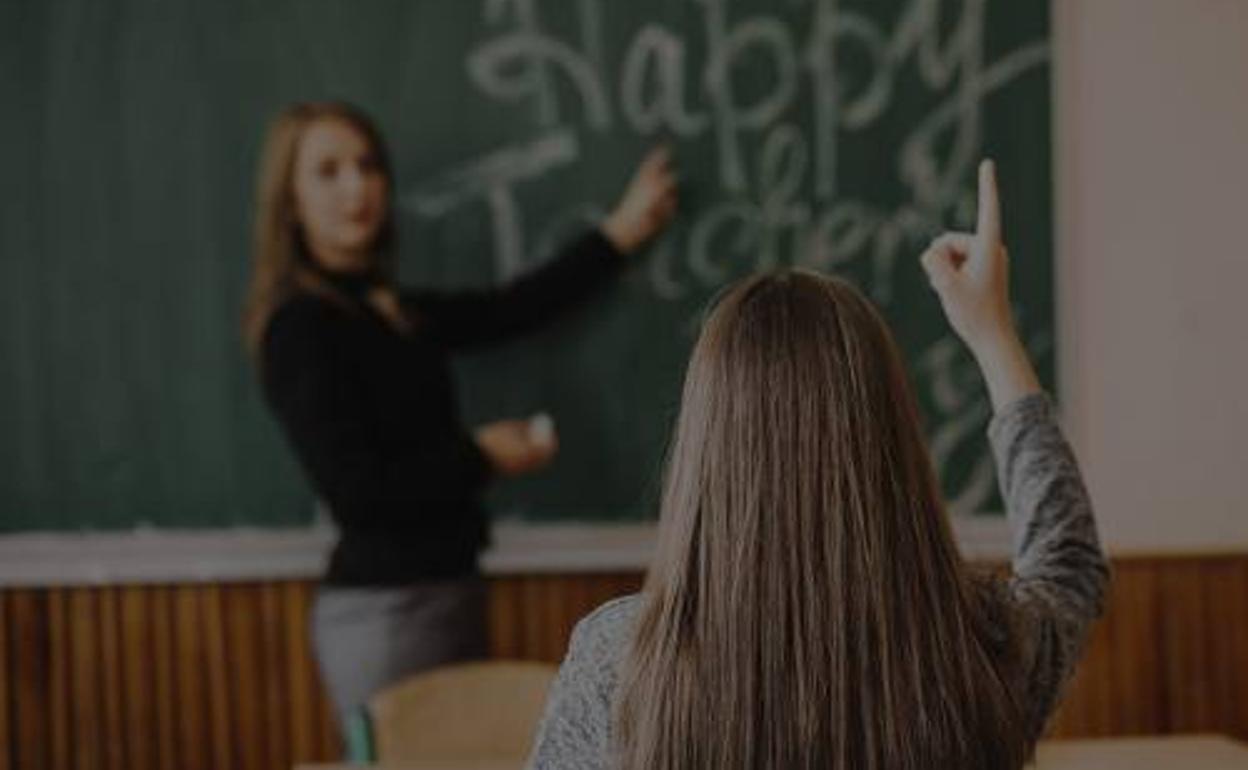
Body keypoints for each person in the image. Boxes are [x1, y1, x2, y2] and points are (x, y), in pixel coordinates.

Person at [526, 161, 1110, 770]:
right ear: (893, 437)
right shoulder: (982, 646)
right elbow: (1069, 565)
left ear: (705, 449)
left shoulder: (620, 665)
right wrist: (993, 337)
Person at [240, 101, 677, 728]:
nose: (356, 187)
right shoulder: (300, 327)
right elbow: (357, 491)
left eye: (368, 165)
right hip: (387, 612)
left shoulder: (388, 309)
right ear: (290, 201)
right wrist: (482, 456)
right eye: (328, 171)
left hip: (446, 593)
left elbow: (511, 309)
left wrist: (620, 234)